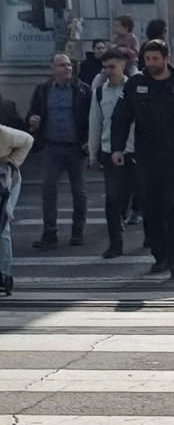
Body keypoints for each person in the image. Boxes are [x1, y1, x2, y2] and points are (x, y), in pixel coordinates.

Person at [111, 39, 174, 281]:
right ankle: (160, 256)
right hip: (146, 159)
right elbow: (121, 118)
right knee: (152, 209)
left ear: (167, 58)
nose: (151, 64)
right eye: (147, 59)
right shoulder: (136, 85)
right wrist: (117, 148)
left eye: (156, 59)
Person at [27, 53, 92, 249]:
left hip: (75, 147)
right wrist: (33, 120)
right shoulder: (43, 91)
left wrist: (90, 141)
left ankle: (77, 230)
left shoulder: (82, 90)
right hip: (52, 146)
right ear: (53, 69)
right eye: (62, 66)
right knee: (48, 189)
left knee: (79, 192)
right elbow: (33, 112)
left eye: (69, 65)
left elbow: (92, 118)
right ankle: (49, 232)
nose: (67, 69)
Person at [88, 47, 136, 259]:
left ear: (123, 65)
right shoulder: (99, 92)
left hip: (134, 149)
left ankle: (148, 236)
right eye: (105, 67)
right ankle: (115, 244)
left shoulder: (135, 88)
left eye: (112, 66)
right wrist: (93, 153)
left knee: (138, 194)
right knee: (112, 200)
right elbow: (95, 124)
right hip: (109, 151)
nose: (108, 70)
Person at [0, 119, 34, 296]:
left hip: (7, 178)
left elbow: (28, 139)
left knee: (2, 224)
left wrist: (13, 163)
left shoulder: (4, 133)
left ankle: (3, 272)